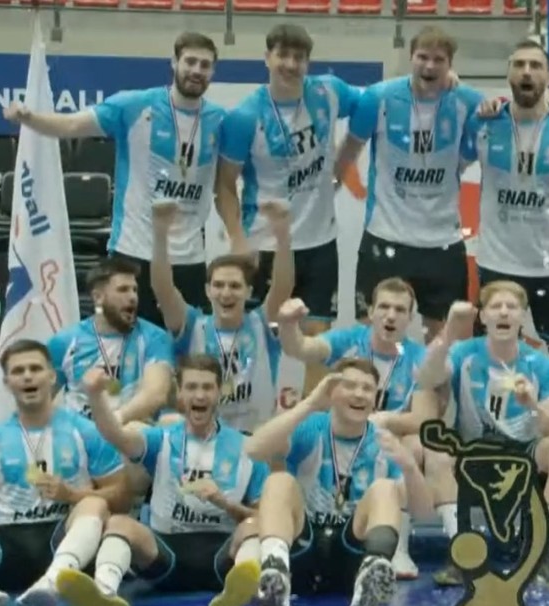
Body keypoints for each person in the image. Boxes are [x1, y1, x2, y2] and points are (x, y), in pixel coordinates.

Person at [2, 32, 225, 326]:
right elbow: (71, 125)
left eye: (205, 65)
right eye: (190, 62)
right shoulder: (134, 106)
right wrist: (29, 117)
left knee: (189, 344)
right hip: (133, 253)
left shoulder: (221, 121)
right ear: (174, 62)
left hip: (189, 259)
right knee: (125, 341)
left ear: (213, 71)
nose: (196, 70)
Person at [54, 356, 269, 606]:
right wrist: (96, 397)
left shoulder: (247, 448)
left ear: (219, 393)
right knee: (119, 523)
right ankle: (104, 594)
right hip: (166, 553)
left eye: (207, 387)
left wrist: (225, 503)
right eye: (191, 387)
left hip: (222, 556)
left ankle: (236, 595)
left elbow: (264, 519)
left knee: (253, 527)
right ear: (180, 393)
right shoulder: (161, 438)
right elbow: (116, 435)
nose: (199, 395)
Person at [219, 24, 363, 388]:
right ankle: (248, 415)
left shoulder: (328, 92)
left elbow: (373, 104)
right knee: (256, 341)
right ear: (266, 58)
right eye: (283, 55)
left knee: (318, 342)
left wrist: (342, 165)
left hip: (319, 242)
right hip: (264, 244)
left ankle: (313, 418)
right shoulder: (244, 116)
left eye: (299, 58)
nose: (290, 64)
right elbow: (224, 184)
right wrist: (237, 239)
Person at [242, 358, 433, 606]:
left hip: (351, 555)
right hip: (304, 547)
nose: (359, 394)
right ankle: (275, 571)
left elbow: (424, 513)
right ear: (332, 391)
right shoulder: (311, 426)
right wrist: (310, 404)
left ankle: (372, 574)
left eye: (367, 388)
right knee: (278, 481)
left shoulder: (383, 441)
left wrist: (410, 467)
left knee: (385, 488)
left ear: (375, 399)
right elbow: (252, 450)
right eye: (350, 385)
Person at [0, 339, 126, 606]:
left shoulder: (85, 431)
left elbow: (122, 496)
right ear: (7, 383)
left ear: (52, 376)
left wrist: (72, 495)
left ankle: (53, 583)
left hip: (62, 540)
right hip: (7, 547)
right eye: (18, 371)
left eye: (35, 368)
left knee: (94, 503)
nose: (28, 376)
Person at [412, 283, 549, 586]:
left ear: (522, 316)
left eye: (512, 307)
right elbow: (425, 377)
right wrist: (449, 330)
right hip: (472, 450)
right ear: (482, 316)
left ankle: (547, 554)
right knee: (436, 451)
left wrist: (533, 405)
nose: (503, 312)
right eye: (495, 306)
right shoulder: (463, 352)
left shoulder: (541, 364)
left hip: (525, 452)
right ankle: (460, 553)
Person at [339, 26, 484, 342]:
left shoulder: (469, 102)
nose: (429, 66)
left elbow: (505, 119)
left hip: (442, 244)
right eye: (422, 57)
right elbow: (348, 150)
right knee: (373, 339)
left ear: (450, 64)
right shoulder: (379, 98)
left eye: (439, 60)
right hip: (385, 237)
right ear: (410, 58)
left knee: (445, 344)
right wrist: (328, 191)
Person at [275, 281, 428, 579]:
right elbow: (301, 348)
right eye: (384, 307)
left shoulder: (419, 358)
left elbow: (423, 419)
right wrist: (288, 325)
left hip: (385, 438)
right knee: (286, 438)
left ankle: (397, 548)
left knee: (413, 446)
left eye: (400, 310)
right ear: (370, 311)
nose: (391, 316)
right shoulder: (349, 340)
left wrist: (384, 420)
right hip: (342, 429)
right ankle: (285, 534)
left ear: (410, 318)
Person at [462, 40, 549, 367]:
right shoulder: (484, 123)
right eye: (519, 65)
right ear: (508, 74)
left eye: (535, 66)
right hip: (498, 265)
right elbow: (447, 170)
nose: (526, 72)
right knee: (491, 360)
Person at [150, 200, 294, 433]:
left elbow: (283, 287)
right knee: (167, 422)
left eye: (235, 286)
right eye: (218, 285)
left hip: (253, 438)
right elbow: (163, 288)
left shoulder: (261, 323)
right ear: (207, 290)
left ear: (248, 292)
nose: (226, 293)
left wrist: (282, 234)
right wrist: (160, 232)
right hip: (203, 435)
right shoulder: (192, 325)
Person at [47, 257, 175, 424]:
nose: (133, 297)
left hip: (131, 431)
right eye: (123, 290)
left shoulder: (154, 337)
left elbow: (156, 394)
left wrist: (113, 422)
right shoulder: (64, 342)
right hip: (80, 432)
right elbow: (41, 398)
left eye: (135, 290)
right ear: (98, 297)